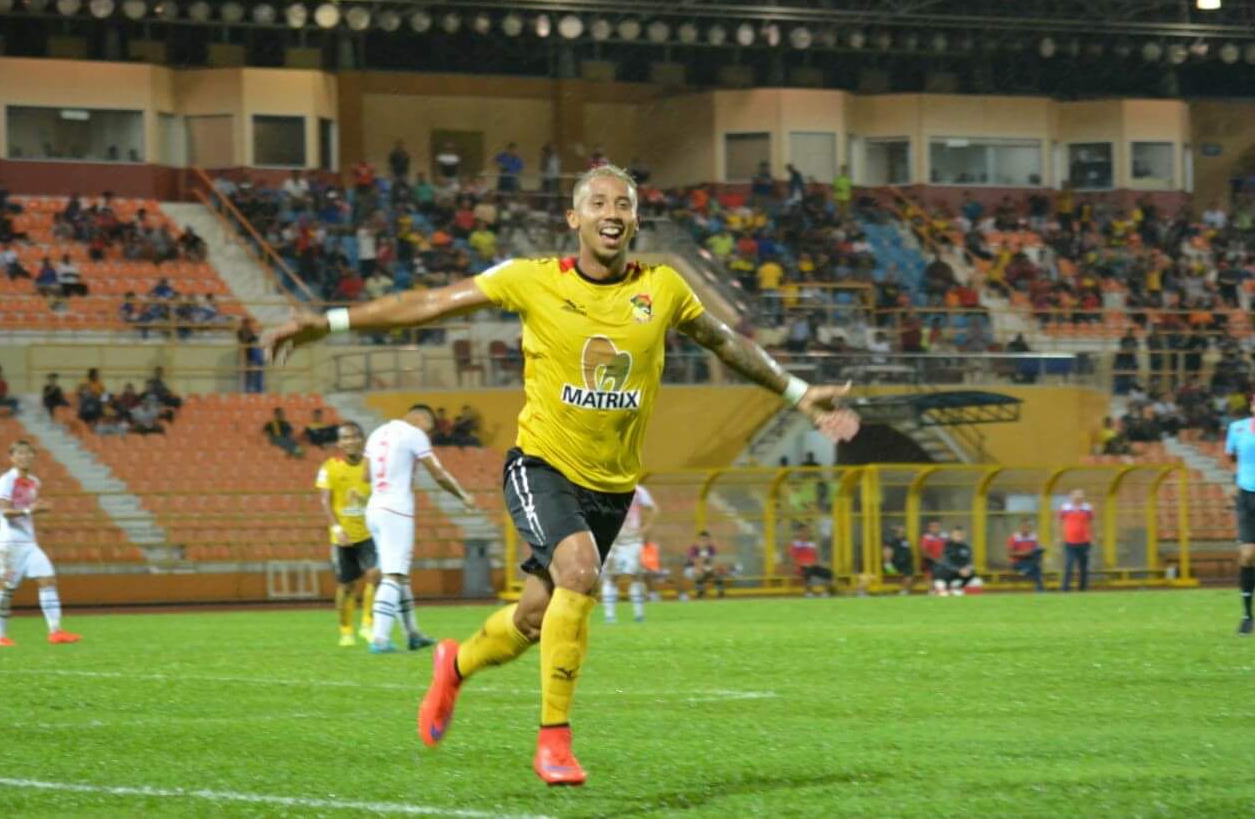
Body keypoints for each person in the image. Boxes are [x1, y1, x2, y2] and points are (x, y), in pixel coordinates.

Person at [262, 164, 858, 786]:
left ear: (635, 220)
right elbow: (431, 304)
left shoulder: (664, 288)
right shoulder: (533, 281)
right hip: (540, 464)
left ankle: (454, 666)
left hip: (612, 485)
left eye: (623, 204)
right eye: (597, 202)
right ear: (573, 219)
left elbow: (726, 342)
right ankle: (554, 740)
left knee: (532, 617)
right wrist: (328, 323)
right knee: (580, 573)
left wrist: (797, 392)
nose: (612, 212)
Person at [363, 405, 475, 653]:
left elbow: (364, 476)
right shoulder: (414, 433)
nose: (430, 431)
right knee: (393, 574)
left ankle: (412, 633)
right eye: (430, 426)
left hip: (374, 507)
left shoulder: (377, 433)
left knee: (399, 573)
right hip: (396, 509)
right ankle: (379, 638)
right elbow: (438, 474)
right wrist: (463, 496)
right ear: (421, 417)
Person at [0, 440, 83, 647]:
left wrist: (33, 508)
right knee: (6, 589)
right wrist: (30, 510)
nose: (25, 456)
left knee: (47, 579)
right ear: (12, 457)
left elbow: (27, 508)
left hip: (29, 543)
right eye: (20, 453)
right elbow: (5, 512)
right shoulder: (6, 480)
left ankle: (55, 631)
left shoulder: (34, 481)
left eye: (29, 453)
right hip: (9, 544)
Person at [316, 422, 380, 647]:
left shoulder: (371, 466)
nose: (351, 441)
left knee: (375, 575)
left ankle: (367, 625)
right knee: (347, 586)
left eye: (355, 436)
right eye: (346, 438)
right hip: (343, 537)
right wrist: (336, 528)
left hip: (369, 533)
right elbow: (324, 501)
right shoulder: (329, 467)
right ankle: (346, 631)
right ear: (339, 443)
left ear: (362, 439)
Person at [600, 483, 658, 624]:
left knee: (636, 577)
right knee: (611, 577)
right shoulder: (606, 487)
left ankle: (639, 616)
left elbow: (653, 509)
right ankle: (610, 617)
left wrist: (644, 529)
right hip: (614, 540)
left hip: (633, 540)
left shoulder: (638, 490)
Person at [1224, 398, 1255, 635]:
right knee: (1247, 554)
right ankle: (1247, 615)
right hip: (1246, 495)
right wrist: (1234, 482)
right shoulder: (1237, 428)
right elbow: (1232, 457)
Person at [1059, 489, 1094, 592]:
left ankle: (1082, 589)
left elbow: (1092, 523)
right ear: (1071, 497)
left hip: (1084, 542)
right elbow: (1059, 522)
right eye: (1076, 495)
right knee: (1069, 564)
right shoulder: (1065, 508)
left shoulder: (1087, 508)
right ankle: (1065, 589)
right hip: (1070, 542)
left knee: (1083, 566)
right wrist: (1059, 536)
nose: (1078, 497)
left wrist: (1092, 537)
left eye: (1080, 495)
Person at [788, 522, 833, 596]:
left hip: (812, 565)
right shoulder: (794, 544)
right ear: (799, 532)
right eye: (803, 531)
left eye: (807, 531)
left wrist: (816, 563)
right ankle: (809, 592)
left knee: (828, 572)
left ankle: (825, 591)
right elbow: (792, 559)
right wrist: (801, 564)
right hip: (801, 567)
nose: (806, 533)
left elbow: (816, 558)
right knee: (807, 570)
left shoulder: (812, 544)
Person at [932, 526, 979, 596]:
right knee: (942, 591)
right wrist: (958, 570)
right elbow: (945, 562)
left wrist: (968, 569)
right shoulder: (946, 546)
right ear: (951, 535)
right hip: (945, 575)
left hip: (960, 575)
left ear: (963, 535)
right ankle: (939, 591)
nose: (958, 536)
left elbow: (970, 562)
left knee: (977, 581)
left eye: (960, 535)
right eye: (956, 535)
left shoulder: (966, 547)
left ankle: (958, 591)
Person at [684, 530, 727, 600]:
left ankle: (720, 592)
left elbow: (714, 561)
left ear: (709, 540)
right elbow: (695, 562)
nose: (704, 541)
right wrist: (705, 566)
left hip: (705, 567)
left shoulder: (711, 548)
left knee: (718, 570)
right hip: (691, 569)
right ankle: (700, 592)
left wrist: (714, 568)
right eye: (702, 539)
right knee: (699, 571)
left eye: (706, 540)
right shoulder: (694, 548)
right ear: (698, 540)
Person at [1007, 519, 1045, 592]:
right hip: (1018, 562)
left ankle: (1027, 570)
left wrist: (1039, 550)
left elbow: (1036, 550)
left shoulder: (1033, 537)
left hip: (1030, 561)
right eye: (1024, 527)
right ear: (1020, 527)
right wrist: (1025, 553)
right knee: (1036, 571)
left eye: (1028, 527)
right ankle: (1040, 590)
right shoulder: (1014, 537)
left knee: (1038, 555)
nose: (1026, 529)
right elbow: (1010, 553)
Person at [882, 524, 914, 595]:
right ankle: (888, 565)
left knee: (909, 574)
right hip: (894, 563)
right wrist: (887, 563)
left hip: (905, 564)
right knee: (888, 550)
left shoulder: (905, 540)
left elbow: (908, 551)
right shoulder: (890, 540)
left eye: (902, 528)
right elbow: (887, 551)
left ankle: (904, 591)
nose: (902, 530)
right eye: (900, 528)